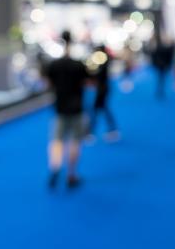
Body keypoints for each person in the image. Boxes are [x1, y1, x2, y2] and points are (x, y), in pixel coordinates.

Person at [44, 31, 89, 189]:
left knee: (57, 139)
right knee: (75, 141)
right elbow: (87, 82)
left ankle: (55, 167)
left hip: (60, 107)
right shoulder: (78, 64)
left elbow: (48, 83)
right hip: (77, 107)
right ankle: (71, 174)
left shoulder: (54, 65)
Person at [87, 44, 120, 143]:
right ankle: (93, 131)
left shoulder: (103, 61)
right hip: (102, 88)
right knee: (101, 109)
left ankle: (91, 132)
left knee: (100, 109)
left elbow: (95, 73)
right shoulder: (103, 60)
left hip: (102, 89)